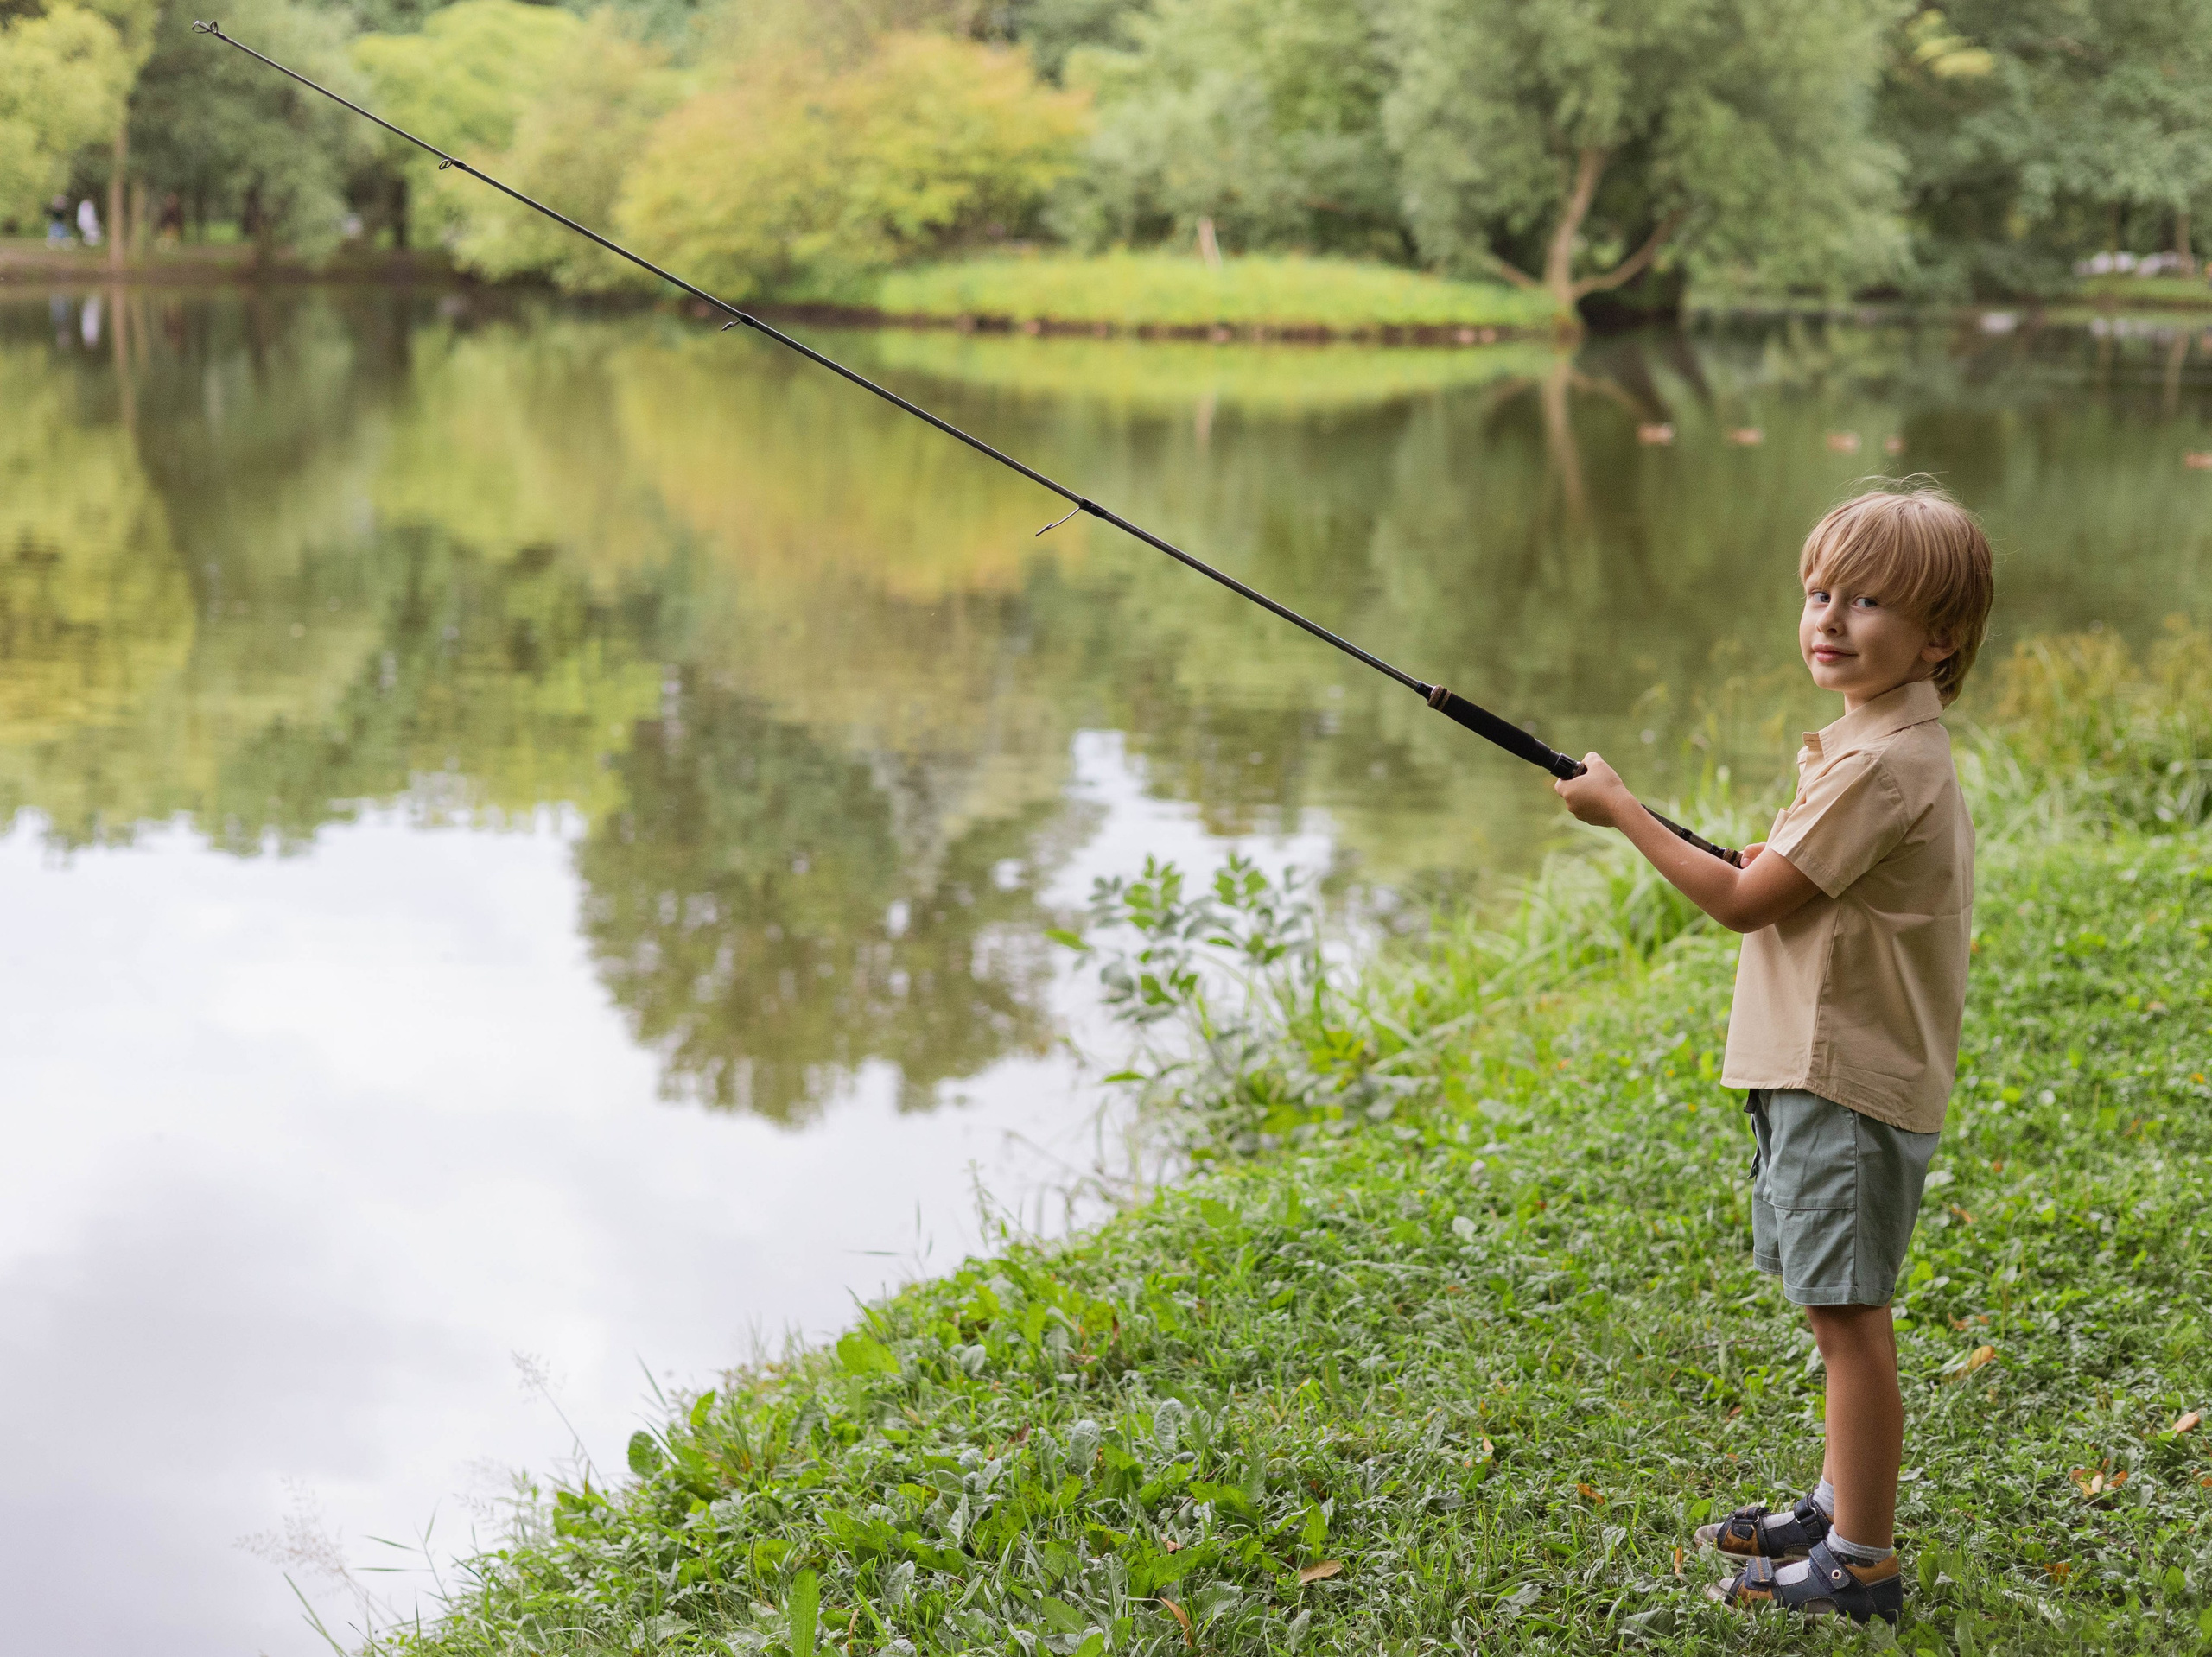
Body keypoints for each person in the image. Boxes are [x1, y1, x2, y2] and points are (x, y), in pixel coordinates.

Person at [1553, 486, 1994, 1627]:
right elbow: (1800, 875)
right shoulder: (1871, 743)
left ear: (1938, 637)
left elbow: (1746, 903)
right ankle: (1838, 1499)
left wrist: (1625, 812)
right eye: (1819, 593)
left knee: (1850, 1318)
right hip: (1825, 1068)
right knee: (1830, 1303)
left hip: (1843, 1079)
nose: (1829, 618)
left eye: (1869, 601)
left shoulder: (1880, 763)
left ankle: (1860, 1558)